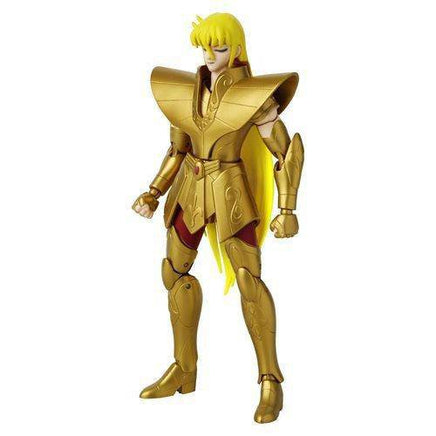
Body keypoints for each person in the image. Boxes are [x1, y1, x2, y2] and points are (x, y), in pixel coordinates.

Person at [132, 12, 304, 423]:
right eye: (205, 48)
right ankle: (184, 368)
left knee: (248, 279)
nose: (210, 56)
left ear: (237, 48)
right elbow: (177, 150)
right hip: (189, 188)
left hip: (230, 190)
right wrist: (154, 191)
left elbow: (285, 152)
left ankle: (270, 380)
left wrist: (287, 209)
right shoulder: (186, 92)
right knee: (174, 273)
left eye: (220, 48)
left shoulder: (253, 95)